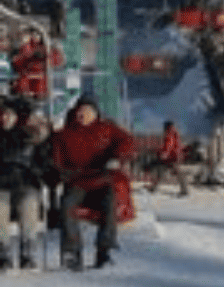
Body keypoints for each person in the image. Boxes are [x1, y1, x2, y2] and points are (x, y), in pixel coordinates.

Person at [47, 95, 134, 270]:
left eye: (87, 111)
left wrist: (117, 158)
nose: (82, 115)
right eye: (80, 111)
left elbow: (127, 141)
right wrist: (57, 174)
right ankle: (71, 252)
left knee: (110, 202)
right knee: (67, 205)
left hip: (101, 180)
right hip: (76, 182)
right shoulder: (63, 135)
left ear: (95, 114)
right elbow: (54, 161)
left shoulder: (107, 129)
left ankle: (104, 250)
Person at [0, 101, 47, 270]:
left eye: (8, 115)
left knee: (29, 205)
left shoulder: (30, 137)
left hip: (25, 184)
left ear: (17, 117)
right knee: (0, 208)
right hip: (2, 186)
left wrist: (40, 173)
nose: (4, 118)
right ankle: (3, 252)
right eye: (3, 114)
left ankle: (28, 252)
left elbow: (43, 162)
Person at [147, 118, 190, 197]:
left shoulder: (170, 133)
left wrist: (165, 153)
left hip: (171, 156)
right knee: (162, 172)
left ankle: (185, 191)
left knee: (175, 172)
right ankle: (153, 187)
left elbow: (169, 144)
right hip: (174, 155)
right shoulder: (174, 132)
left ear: (167, 126)